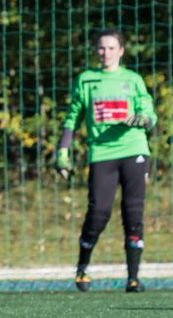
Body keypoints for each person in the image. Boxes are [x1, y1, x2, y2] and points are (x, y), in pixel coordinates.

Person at [54, 28, 157, 292]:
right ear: (95, 51)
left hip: (133, 149)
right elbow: (73, 115)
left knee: (133, 213)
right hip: (102, 153)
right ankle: (82, 269)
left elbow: (148, 111)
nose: (106, 53)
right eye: (101, 48)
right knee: (99, 212)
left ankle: (133, 278)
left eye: (112, 48)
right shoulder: (86, 80)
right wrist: (63, 151)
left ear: (121, 51)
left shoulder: (132, 79)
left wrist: (144, 120)